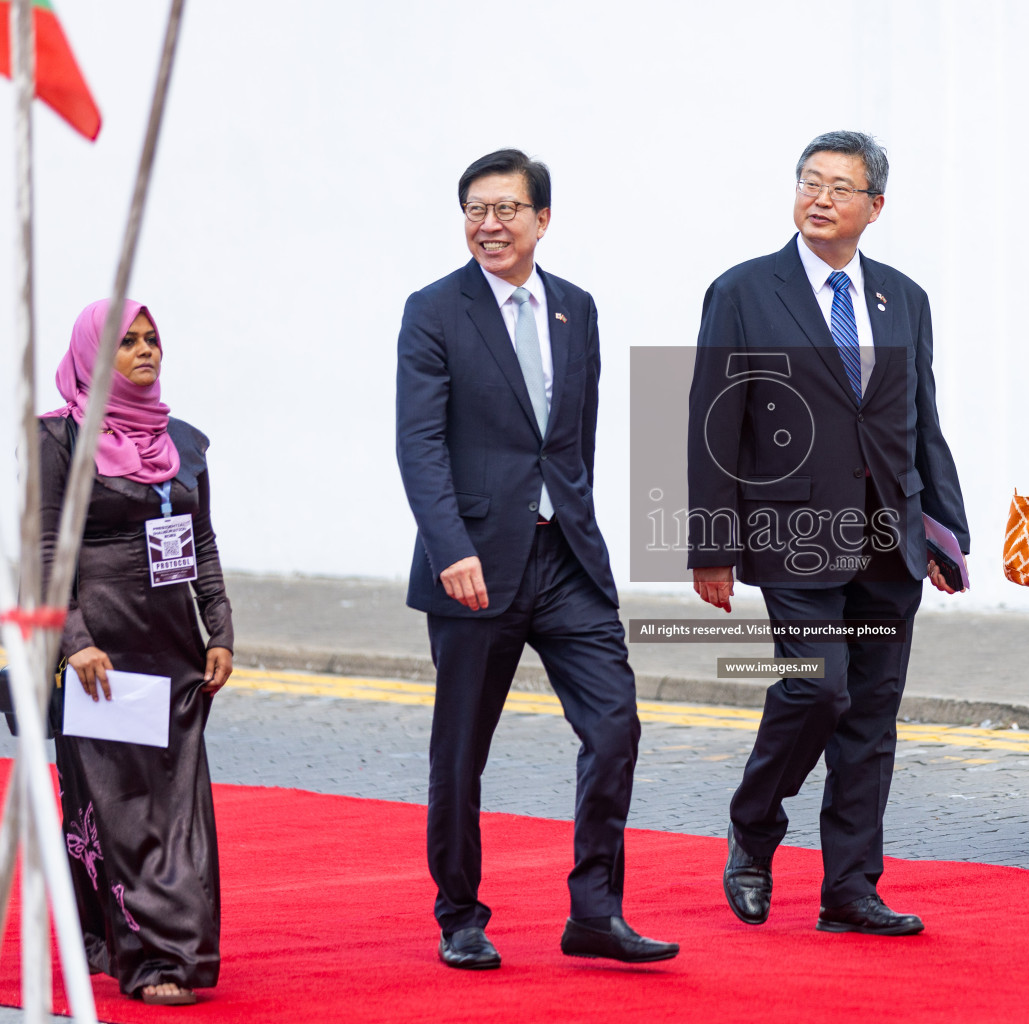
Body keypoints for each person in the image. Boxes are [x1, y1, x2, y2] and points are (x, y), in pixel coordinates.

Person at [395, 149, 676, 969]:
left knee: (615, 724)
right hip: (475, 564)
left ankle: (595, 909)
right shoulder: (434, 310)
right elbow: (418, 443)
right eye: (476, 210)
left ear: (541, 219)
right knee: (461, 752)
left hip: (567, 564)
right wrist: (450, 546)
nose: (490, 225)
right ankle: (459, 915)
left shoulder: (575, 309)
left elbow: (573, 439)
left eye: (507, 209)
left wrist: (577, 519)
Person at [687, 131, 968, 936]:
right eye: (810, 182)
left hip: (889, 537)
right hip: (791, 534)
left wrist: (944, 529)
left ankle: (850, 887)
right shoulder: (743, 290)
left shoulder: (903, 298)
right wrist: (711, 544)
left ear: (874, 207)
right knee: (817, 689)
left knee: (872, 714)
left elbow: (921, 421)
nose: (820, 198)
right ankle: (754, 827)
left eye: (841, 188)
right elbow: (714, 418)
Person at [39, 299, 233, 1006]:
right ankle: (155, 959)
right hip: (105, 653)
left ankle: (124, 938)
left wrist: (221, 626)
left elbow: (201, 541)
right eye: (128, 343)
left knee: (178, 806)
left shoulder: (184, 440)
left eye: (153, 340)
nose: (146, 351)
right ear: (94, 355)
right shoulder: (60, 440)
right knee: (123, 808)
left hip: (175, 645)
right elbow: (43, 549)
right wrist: (76, 641)